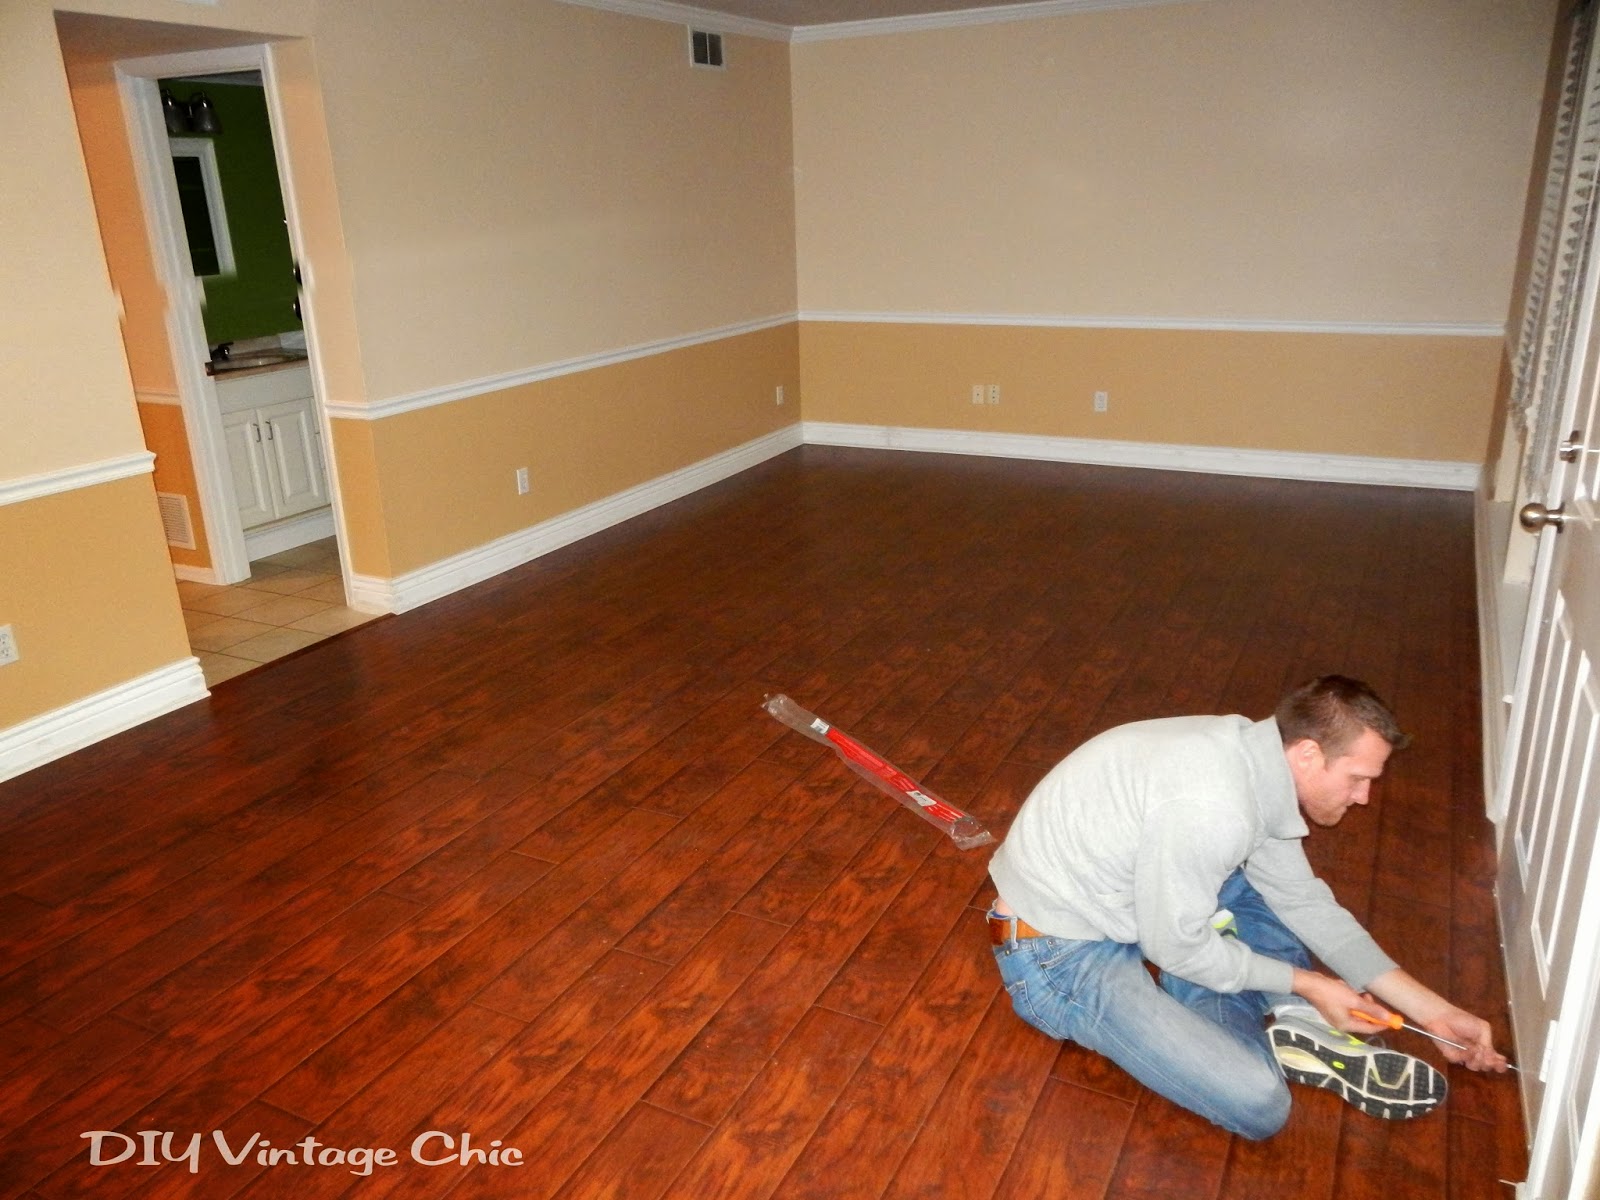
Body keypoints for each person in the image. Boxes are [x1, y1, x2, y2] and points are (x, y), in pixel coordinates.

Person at [986, 675, 1508, 1139]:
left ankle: (1261, 1004)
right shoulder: (1216, 808)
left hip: (1138, 897)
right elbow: (1174, 945)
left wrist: (1433, 1013)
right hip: (1057, 951)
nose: (1364, 796)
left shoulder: (1253, 759)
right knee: (1258, 1101)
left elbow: (1305, 902)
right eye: (1358, 777)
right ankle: (1276, 1009)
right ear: (1308, 753)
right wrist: (1306, 982)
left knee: (1274, 902)